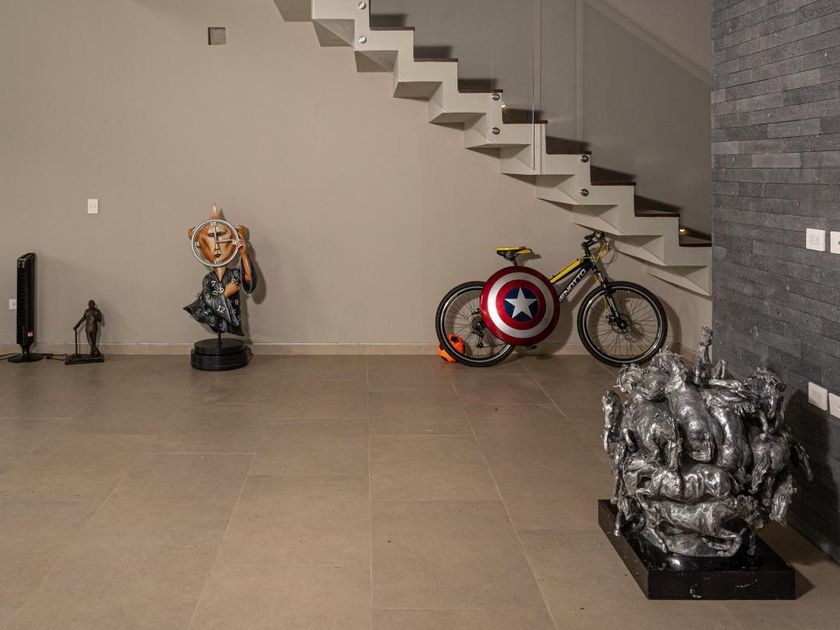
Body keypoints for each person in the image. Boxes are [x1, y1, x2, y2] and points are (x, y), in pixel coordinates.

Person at [184, 206, 257, 336]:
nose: (217, 246)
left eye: (220, 236)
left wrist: (244, 254)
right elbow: (208, 299)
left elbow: (248, 278)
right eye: (211, 237)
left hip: (232, 317)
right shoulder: (208, 279)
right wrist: (225, 294)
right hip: (215, 320)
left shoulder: (233, 274)